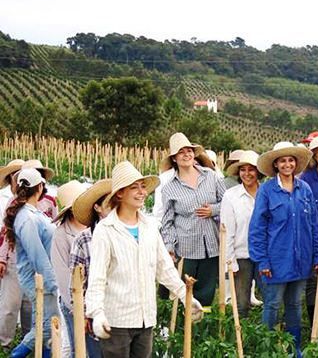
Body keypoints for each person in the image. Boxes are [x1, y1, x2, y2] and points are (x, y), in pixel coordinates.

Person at [86, 161, 203, 358]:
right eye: (134, 187)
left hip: (145, 318)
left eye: (142, 186)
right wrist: (96, 313)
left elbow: (163, 267)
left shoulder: (149, 227)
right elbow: (97, 277)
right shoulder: (105, 231)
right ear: (120, 194)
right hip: (117, 321)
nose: (142, 192)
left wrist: (185, 296)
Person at [250, 142, 318, 356]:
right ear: (276, 165)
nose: (287, 164)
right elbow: (257, 228)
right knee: (272, 304)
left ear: (296, 163)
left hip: (302, 259)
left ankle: (293, 349)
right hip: (276, 259)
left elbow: (314, 225)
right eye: (283, 160)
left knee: (294, 305)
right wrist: (262, 260)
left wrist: (317, 255)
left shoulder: (304, 189)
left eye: (291, 160)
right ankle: (268, 348)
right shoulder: (267, 191)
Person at [160, 132, 225, 306]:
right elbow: (167, 222)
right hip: (186, 248)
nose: (186, 154)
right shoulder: (169, 188)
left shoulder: (211, 176)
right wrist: (169, 246)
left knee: (207, 291)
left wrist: (213, 210)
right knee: (185, 291)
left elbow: (227, 203)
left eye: (189, 150)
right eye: (181, 152)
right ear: (174, 158)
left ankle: (201, 330)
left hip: (211, 245)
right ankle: (184, 326)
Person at [5, 168, 60, 358]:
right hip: (39, 280)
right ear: (40, 187)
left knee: (46, 326)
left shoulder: (31, 213)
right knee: (47, 327)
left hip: (42, 277)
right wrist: (54, 284)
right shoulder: (27, 218)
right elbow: (37, 256)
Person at [68, 179, 112, 358]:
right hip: (97, 315)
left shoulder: (132, 235)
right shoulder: (84, 240)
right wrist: (84, 314)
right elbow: (77, 284)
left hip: (125, 317)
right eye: (110, 204)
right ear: (97, 208)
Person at [220, 151, 262, 318]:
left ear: (258, 172)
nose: (247, 174)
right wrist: (230, 262)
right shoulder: (231, 196)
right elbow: (227, 231)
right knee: (241, 303)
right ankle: (241, 338)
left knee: (271, 300)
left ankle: (268, 337)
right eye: (243, 170)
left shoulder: (266, 193)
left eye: (251, 169)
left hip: (263, 255)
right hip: (241, 255)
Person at [49, 181, 88, 355]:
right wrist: (77, 307)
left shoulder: (96, 227)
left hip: (95, 302)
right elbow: (63, 276)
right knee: (77, 348)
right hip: (72, 302)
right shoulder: (61, 235)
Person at [0, 159, 33, 349]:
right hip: (12, 258)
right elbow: (6, 232)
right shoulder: (9, 202)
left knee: (29, 304)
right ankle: (5, 344)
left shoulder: (44, 202)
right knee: (9, 306)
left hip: (30, 261)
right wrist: (2, 258)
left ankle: (28, 342)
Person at [298, 136, 318, 326]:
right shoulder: (307, 178)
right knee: (314, 280)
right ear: (314, 156)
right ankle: (316, 322)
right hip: (313, 234)